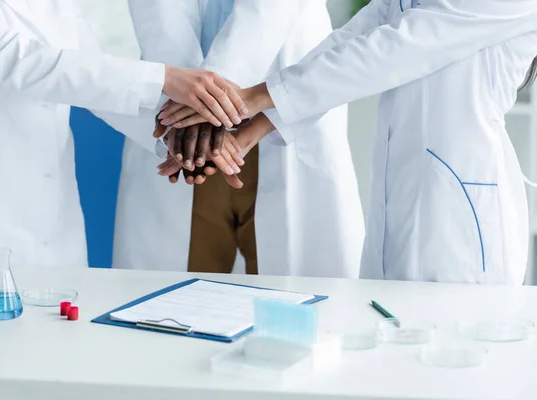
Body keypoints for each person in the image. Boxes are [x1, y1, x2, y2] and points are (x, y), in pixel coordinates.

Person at [160, 0, 537, 285]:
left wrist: (245, 99)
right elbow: (351, 41)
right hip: (402, 194)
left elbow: (393, 49)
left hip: (462, 218)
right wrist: (247, 133)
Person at [0, 0, 246, 268]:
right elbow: (24, 63)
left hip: (52, 217)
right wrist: (165, 78)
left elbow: (92, 80)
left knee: (55, 329)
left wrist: (176, 137)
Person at [113, 0, 365, 277]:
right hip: (185, 127)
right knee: (173, 302)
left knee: (288, 302)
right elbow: (160, 14)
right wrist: (194, 97)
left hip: (275, 108)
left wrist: (208, 101)